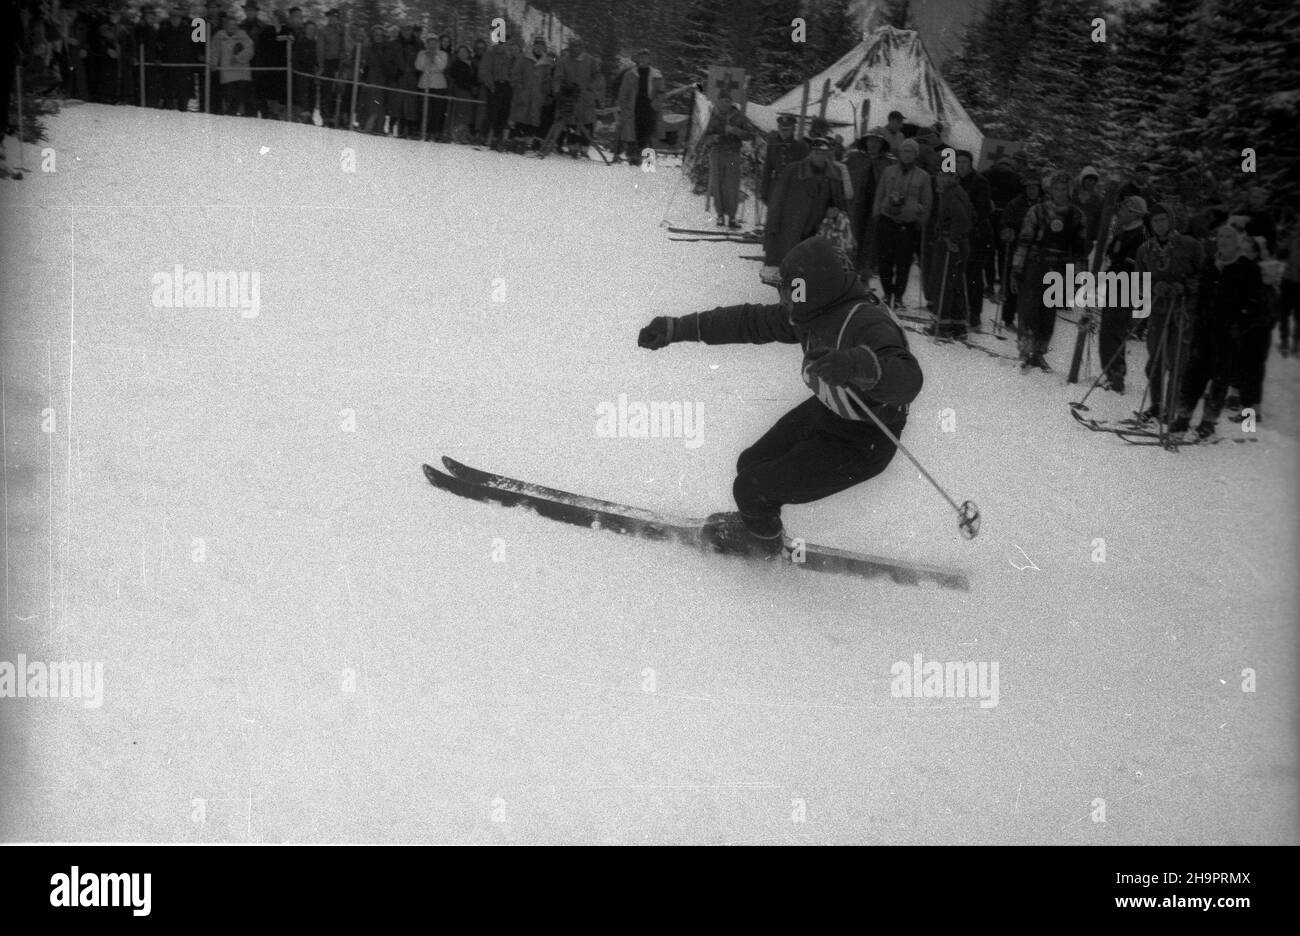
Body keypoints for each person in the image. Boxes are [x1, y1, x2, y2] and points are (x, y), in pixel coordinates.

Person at [635, 236, 923, 558]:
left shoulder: (867, 324)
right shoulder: (812, 310)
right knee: (751, 464)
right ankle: (760, 527)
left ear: (812, 288)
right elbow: (750, 322)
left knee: (751, 489)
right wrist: (678, 329)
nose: (784, 298)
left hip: (865, 441)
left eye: (790, 289)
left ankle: (762, 543)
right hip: (830, 414)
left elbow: (907, 379)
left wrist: (859, 365)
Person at [1168, 226, 1263, 438]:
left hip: (1228, 334)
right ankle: (1183, 418)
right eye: (1221, 236)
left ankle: (1208, 422)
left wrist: (1240, 325)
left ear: (1238, 241)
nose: (1223, 240)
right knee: (1193, 375)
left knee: (1219, 378)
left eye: (1229, 236)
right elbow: (1201, 294)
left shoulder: (1247, 268)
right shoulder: (1211, 263)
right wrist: (1193, 316)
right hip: (1204, 330)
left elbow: (1256, 304)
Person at [1009, 170, 1087, 370]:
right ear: (1050, 190)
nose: (1060, 193)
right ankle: (1025, 349)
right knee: (1029, 309)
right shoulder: (1037, 211)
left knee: (1048, 312)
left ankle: (1040, 352)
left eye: (1064, 189)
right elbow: (1024, 241)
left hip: (1059, 268)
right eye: (1056, 189)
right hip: (1036, 264)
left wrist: (1080, 274)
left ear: (1070, 191)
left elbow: (1080, 248)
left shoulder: (1076, 215)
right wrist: (1017, 268)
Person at [1133, 203, 1203, 423]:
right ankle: (1156, 406)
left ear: (1170, 220)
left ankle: (1171, 410)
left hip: (1183, 311)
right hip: (1158, 311)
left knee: (1177, 362)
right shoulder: (1145, 250)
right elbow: (1139, 279)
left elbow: (1204, 275)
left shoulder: (1189, 245)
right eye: (1155, 221)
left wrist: (1185, 286)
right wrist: (1154, 287)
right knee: (1155, 360)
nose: (1159, 225)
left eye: (1163, 220)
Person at [763, 137, 848, 267]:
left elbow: (838, 201)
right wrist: (772, 227)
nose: (819, 155)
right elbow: (777, 200)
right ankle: (796, 287)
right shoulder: (793, 170)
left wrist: (833, 211)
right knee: (792, 268)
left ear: (829, 153)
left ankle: (800, 287)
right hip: (791, 229)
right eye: (816, 152)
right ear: (810, 152)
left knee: (810, 270)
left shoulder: (834, 173)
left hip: (818, 230)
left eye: (823, 152)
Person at [1095, 195, 1149, 393]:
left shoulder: (1140, 238)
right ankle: (1111, 373)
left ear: (1133, 214)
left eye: (1124, 210)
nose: (1120, 213)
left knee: (1113, 332)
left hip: (1125, 290)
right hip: (1114, 288)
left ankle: (1116, 377)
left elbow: (1131, 267)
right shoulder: (1123, 233)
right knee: (1107, 332)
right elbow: (1111, 256)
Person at [871, 137, 931, 310]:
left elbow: (927, 202)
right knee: (884, 260)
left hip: (908, 225)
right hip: (887, 221)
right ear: (900, 153)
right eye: (904, 151)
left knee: (903, 262)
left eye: (911, 151)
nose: (907, 154)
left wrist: (922, 220)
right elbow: (880, 193)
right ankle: (887, 292)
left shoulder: (923, 176)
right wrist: (877, 213)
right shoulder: (889, 172)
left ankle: (898, 296)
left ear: (916, 155)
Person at [928, 167, 974, 338]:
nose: (939, 179)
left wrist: (953, 239)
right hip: (961, 243)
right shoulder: (957, 191)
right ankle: (958, 324)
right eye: (939, 175)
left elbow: (960, 218)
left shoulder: (951, 194)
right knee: (955, 284)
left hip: (950, 244)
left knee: (944, 283)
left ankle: (942, 325)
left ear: (950, 177)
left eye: (942, 176)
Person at [702, 92, 756, 228]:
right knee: (718, 184)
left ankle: (732, 217)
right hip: (717, 153)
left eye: (727, 101)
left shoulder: (739, 118)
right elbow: (704, 137)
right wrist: (713, 138)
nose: (725, 104)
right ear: (718, 102)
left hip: (732, 154)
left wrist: (735, 130)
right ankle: (720, 216)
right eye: (722, 101)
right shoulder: (712, 118)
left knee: (731, 186)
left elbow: (750, 134)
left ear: (731, 102)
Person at [954, 149, 992, 331]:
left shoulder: (979, 182)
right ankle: (960, 308)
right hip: (960, 234)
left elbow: (982, 209)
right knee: (959, 272)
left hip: (977, 235)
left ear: (970, 164)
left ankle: (974, 312)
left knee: (973, 274)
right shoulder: (954, 180)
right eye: (958, 162)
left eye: (964, 162)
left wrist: (967, 221)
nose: (960, 166)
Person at [616, 48, 663, 166]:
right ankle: (633, 157)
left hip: (648, 107)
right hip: (633, 107)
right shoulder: (630, 74)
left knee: (645, 133)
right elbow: (623, 92)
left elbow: (661, 93)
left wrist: (655, 105)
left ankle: (643, 157)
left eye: (645, 57)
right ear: (637, 59)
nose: (643, 59)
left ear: (649, 59)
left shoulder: (656, 75)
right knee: (632, 133)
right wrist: (624, 106)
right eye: (641, 57)